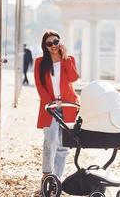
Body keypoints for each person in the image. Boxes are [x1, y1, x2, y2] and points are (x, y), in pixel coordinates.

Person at [34, 30, 79, 182]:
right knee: (50, 139)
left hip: (68, 106)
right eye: (49, 43)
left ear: (60, 42)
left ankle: (56, 179)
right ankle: (47, 174)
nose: (53, 45)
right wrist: (50, 103)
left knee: (63, 144)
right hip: (50, 107)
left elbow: (73, 78)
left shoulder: (69, 59)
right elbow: (40, 85)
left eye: (56, 42)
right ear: (45, 46)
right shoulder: (40, 62)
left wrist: (65, 57)